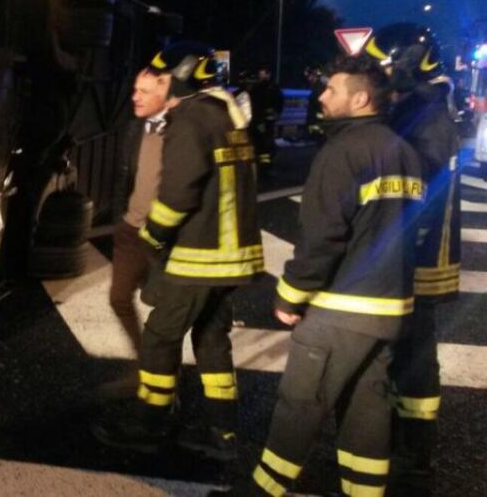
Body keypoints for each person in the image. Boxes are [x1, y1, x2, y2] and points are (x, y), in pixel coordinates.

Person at [243, 55, 425, 496]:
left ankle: (260, 491)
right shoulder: (403, 151)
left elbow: (321, 237)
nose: (321, 97)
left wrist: (290, 297)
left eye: (332, 90)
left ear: (360, 98)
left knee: (300, 405)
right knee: (367, 408)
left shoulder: (342, 151)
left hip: (341, 308)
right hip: (390, 309)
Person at [91, 41, 263, 461]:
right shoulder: (227, 116)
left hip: (199, 257)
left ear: (182, 77)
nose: (157, 86)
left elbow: (179, 191)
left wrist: (153, 235)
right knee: (210, 341)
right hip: (231, 258)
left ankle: (150, 424)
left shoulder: (190, 119)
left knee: (160, 337)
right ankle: (223, 434)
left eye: (163, 78)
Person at [367, 24, 461, 490]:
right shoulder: (419, 107)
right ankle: (405, 441)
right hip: (411, 252)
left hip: (419, 257)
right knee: (407, 350)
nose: (378, 75)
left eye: (384, 66)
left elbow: (415, 191)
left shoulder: (428, 117)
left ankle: (415, 452)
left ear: (407, 63)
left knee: (416, 354)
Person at [101, 67, 171, 394]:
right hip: (131, 231)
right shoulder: (135, 128)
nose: (134, 97)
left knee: (165, 314)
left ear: (166, 93)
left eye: (143, 91)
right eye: (134, 89)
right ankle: (143, 369)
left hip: (164, 237)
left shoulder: (183, 131)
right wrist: (121, 218)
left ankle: (164, 388)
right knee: (118, 298)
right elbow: (125, 176)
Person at [248, 66, 284, 171]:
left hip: (267, 121)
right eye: (260, 74)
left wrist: (276, 113)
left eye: (263, 74)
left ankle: (265, 166)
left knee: (266, 144)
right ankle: (262, 164)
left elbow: (279, 102)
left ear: (268, 74)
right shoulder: (257, 88)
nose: (261, 76)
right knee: (260, 143)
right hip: (258, 120)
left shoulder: (272, 88)